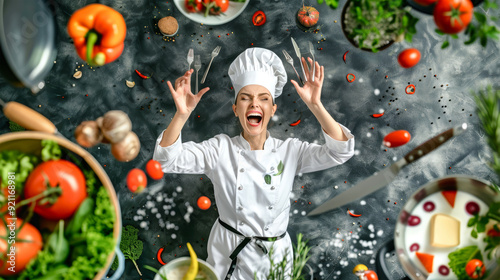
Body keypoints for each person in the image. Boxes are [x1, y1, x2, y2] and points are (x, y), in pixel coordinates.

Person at [153, 48, 355, 280]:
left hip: (274, 257)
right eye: (245, 98)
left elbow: (341, 151)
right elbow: (166, 160)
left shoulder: (290, 151)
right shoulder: (219, 149)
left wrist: (316, 105)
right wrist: (182, 114)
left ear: (272, 109)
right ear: (236, 109)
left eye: (264, 99)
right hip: (227, 252)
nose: (254, 105)